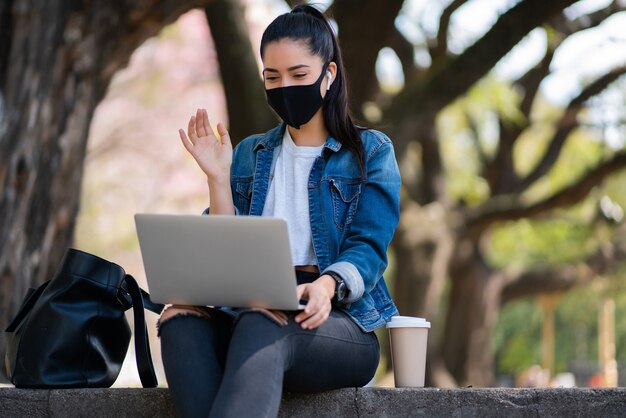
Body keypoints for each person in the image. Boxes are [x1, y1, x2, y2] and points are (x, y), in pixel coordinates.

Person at [157, 5, 401, 417]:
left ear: (329, 75)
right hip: (252, 309)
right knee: (179, 321)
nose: (285, 86)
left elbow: (369, 248)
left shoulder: (371, 152)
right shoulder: (250, 155)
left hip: (336, 321)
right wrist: (218, 177)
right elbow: (223, 253)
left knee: (262, 319)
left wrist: (325, 286)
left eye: (298, 75)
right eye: (273, 77)